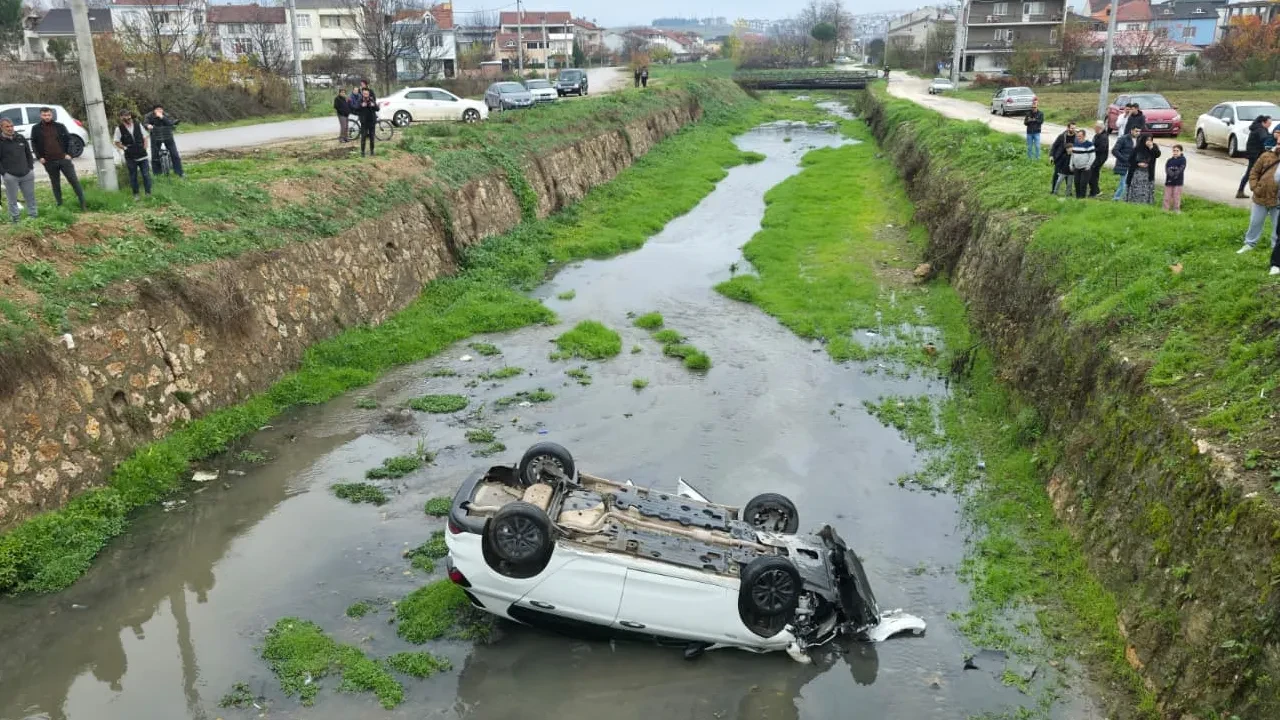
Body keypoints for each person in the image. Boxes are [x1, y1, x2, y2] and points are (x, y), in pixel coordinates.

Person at [30, 106, 86, 211]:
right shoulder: (36, 128)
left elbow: (69, 140)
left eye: (48, 115)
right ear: (40, 115)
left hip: (63, 159)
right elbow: (34, 143)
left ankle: (83, 203)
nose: (47, 117)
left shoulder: (59, 126)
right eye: (44, 115)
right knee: (55, 183)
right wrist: (40, 157)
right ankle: (60, 204)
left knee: (74, 181)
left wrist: (69, 154)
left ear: (52, 115)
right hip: (49, 161)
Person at [1239, 128, 1280, 257]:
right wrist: (1254, 187)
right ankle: (1249, 243)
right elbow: (1254, 172)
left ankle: (1275, 248)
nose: (1279, 145)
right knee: (1255, 222)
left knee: (1277, 227)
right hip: (1260, 196)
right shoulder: (1266, 155)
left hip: (1277, 200)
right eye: (1278, 143)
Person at [0, 118, 36, 223]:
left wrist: (30, 168)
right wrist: (4, 173)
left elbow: (28, 153)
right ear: (1, 127)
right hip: (10, 176)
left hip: (27, 174)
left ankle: (33, 218)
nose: (10, 128)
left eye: (11, 126)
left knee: (30, 198)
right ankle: (16, 220)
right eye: (7, 126)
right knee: (12, 200)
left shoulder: (20, 138)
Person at [114, 109, 152, 200]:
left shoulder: (138, 125)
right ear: (121, 118)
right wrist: (125, 148)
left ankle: (148, 194)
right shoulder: (119, 129)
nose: (127, 118)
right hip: (130, 156)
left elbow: (145, 137)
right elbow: (116, 142)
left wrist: (145, 147)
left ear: (130, 116)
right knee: (133, 176)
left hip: (142, 154)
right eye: (124, 116)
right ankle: (136, 195)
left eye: (128, 116)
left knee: (146, 174)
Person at [143, 104, 183, 177]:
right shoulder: (149, 115)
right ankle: (157, 174)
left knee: (175, 155)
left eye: (160, 109)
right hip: (155, 136)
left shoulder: (166, 115)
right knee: (155, 156)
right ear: (154, 110)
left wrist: (162, 117)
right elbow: (145, 123)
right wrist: (148, 125)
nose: (159, 110)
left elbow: (170, 123)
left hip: (167, 136)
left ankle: (179, 173)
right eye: (157, 109)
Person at [1239, 115, 1272, 199]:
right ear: (1263, 122)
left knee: (1254, 173)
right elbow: (1264, 138)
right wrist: (1273, 137)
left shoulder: (1259, 128)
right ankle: (1243, 191)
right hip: (1255, 155)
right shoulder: (1260, 129)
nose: (1270, 125)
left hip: (1255, 154)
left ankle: (1243, 191)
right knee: (1252, 173)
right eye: (1269, 123)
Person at [1125, 132, 1161, 204]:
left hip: (1148, 174)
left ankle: (1145, 204)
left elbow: (1157, 154)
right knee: (1136, 191)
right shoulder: (1137, 148)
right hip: (1137, 174)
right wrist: (1138, 164)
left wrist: (1151, 147)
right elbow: (1130, 160)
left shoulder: (1154, 147)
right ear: (1143, 140)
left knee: (1146, 192)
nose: (1149, 142)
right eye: (1147, 140)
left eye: (1150, 140)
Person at [1112, 124, 1139, 200]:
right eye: (1136, 131)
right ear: (1132, 130)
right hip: (1125, 165)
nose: (1138, 133)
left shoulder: (1139, 140)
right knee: (1124, 184)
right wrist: (1125, 159)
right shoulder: (1123, 138)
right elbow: (1115, 150)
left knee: (1127, 184)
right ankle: (1118, 199)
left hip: (1134, 165)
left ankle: (1117, 199)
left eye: (1139, 131)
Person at [1050, 123, 1077, 195]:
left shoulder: (1076, 137)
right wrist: (1051, 155)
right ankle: (1053, 190)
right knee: (1056, 175)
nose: (1073, 130)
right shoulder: (1062, 136)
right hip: (1060, 158)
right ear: (1068, 128)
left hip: (1071, 158)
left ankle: (1069, 192)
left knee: (1069, 176)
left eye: (1074, 128)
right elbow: (1054, 145)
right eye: (1072, 128)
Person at [1070, 128, 1094, 199]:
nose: (1078, 137)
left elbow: (1092, 156)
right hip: (1076, 167)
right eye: (1077, 136)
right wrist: (1071, 164)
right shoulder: (1075, 144)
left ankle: (1082, 199)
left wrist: (1088, 165)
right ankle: (1078, 198)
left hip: (1085, 168)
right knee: (1076, 183)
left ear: (1084, 136)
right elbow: (1072, 155)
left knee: (1083, 184)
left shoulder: (1089, 144)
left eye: (1080, 136)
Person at [1162, 144, 1186, 213]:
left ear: (1181, 151)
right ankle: (1165, 210)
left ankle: (1176, 210)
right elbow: (1167, 169)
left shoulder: (1183, 160)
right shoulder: (1169, 160)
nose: (1175, 152)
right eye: (1174, 151)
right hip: (1169, 181)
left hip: (1178, 182)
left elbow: (1181, 169)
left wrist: (1175, 175)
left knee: (1176, 196)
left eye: (1177, 151)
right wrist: (1171, 175)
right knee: (1167, 196)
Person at [355, 87, 378, 157]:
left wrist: (374, 105)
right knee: (363, 137)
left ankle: (372, 151)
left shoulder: (371, 99)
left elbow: (378, 109)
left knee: (372, 137)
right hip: (364, 122)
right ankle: (362, 152)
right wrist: (361, 106)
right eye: (364, 93)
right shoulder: (360, 100)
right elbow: (356, 108)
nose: (366, 95)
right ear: (362, 93)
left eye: (367, 93)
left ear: (369, 93)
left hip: (372, 122)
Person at [1088, 120, 1109, 197]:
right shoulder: (1097, 135)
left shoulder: (1103, 137)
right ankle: (1095, 191)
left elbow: (1102, 149)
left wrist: (1091, 149)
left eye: (1095, 127)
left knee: (1092, 175)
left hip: (1099, 159)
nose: (1094, 128)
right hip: (1095, 158)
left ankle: (1094, 192)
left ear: (1099, 128)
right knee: (1094, 175)